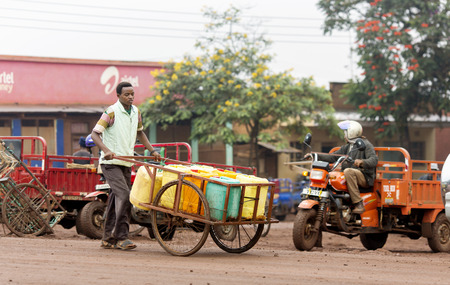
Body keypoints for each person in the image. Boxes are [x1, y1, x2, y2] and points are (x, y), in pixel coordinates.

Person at [90, 81, 161, 250]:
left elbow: (139, 132)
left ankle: (107, 238)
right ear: (118, 96)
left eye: (132, 94)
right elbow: (95, 134)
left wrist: (152, 151)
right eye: (126, 94)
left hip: (126, 162)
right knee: (125, 196)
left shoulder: (136, 111)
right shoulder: (111, 112)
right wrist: (106, 150)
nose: (130, 97)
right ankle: (122, 237)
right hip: (110, 163)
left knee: (117, 198)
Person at [314, 120, 378, 214]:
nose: (344, 136)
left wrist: (361, 162)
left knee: (348, 171)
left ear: (351, 133)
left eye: (345, 133)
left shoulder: (366, 145)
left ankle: (358, 203)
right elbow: (333, 156)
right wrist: (315, 155)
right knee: (332, 174)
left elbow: (374, 160)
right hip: (351, 176)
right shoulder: (348, 146)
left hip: (364, 177)